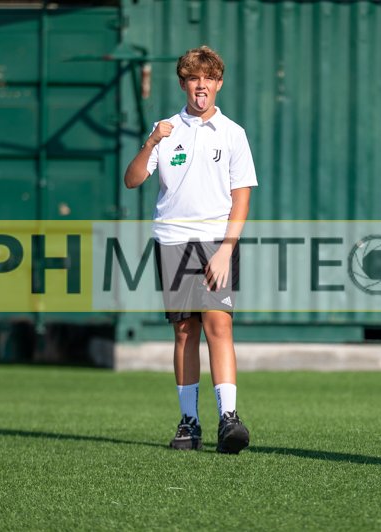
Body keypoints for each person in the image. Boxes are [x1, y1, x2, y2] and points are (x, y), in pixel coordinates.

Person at [124, 45, 258, 453]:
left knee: (219, 325)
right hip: (173, 240)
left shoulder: (232, 133)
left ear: (219, 84)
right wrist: (151, 142)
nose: (201, 85)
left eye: (209, 79)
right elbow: (132, 179)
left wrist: (226, 248)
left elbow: (241, 196)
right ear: (183, 83)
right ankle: (189, 424)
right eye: (193, 78)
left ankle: (228, 418)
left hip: (216, 242)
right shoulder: (165, 129)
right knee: (185, 331)